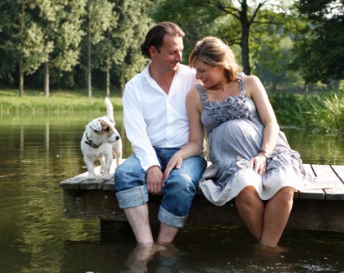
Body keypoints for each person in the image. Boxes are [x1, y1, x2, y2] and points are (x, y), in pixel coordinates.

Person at [165, 36, 314, 249]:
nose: (197, 76)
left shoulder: (250, 83)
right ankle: (270, 252)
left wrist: (264, 154)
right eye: (195, 70)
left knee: (284, 184)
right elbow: (197, 143)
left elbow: (271, 122)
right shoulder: (195, 96)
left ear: (220, 64)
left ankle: (265, 251)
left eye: (202, 70)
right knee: (244, 186)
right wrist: (179, 155)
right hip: (232, 161)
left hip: (269, 151)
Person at [114, 22, 207, 246]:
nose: (179, 57)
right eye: (173, 52)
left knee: (181, 182)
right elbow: (136, 134)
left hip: (187, 153)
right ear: (153, 51)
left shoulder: (194, 79)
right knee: (124, 174)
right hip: (150, 149)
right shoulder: (134, 87)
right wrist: (152, 166)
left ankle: (164, 245)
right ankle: (145, 246)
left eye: (181, 51)